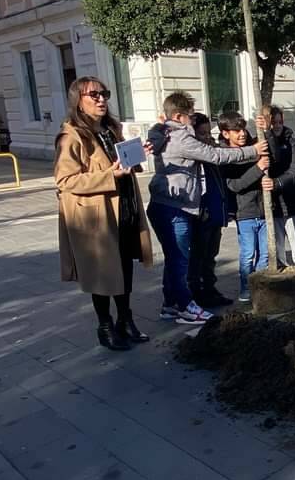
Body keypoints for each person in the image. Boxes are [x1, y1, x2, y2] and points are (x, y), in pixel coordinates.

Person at [146, 92, 265, 324]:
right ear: (179, 116)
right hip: (174, 208)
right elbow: (215, 155)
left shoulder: (165, 133)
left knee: (174, 260)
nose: (192, 118)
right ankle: (184, 307)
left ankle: (170, 304)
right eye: (190, 115)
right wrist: (254, 150)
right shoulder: (179, 137)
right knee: (180, 260)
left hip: (167, 205)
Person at [54, 76, 154, 351]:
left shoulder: (110, 129)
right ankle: (105, 326)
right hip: (95, 218)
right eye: (93, 95)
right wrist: (110, 174)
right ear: (79, 100)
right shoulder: (71, 135)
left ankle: (125, 320)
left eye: (104, 93)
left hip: (124, 208)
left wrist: (137, 156)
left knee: (124, 267)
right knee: (100, 273)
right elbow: (66, 181)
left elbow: (121, 164)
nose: (101, 99)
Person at [256, 105, 295, 289]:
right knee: (277, 243)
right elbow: (270, 159)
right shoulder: (260, 139)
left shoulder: (292, 139)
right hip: (272, 203)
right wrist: (266, 134)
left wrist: (278, 183)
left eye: (280, 122)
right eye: (274, 123)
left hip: (291, 199)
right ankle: (282, 272)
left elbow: (294, 168)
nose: (278, 125)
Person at [219, 113, 270, 302]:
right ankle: (246, 288)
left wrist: (265, 128)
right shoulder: (226, 157)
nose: (242, 134)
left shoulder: (253, 149)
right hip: (245, 213)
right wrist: (258, 168)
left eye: (243, 129)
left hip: (263, 210)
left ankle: (261, 287)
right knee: (248, 254)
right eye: (236, 130)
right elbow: (235, 185)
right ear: (226, 134)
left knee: (264, 254)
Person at [186, 112, 232, 308]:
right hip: (202, 214)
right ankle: (197, 291)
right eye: (202, 134)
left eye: (208, 133)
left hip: (215, 212)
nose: (207, 138)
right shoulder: (195, 156)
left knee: (211, 254)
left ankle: (210, 288)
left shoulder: (213, 152)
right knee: (199, 255)